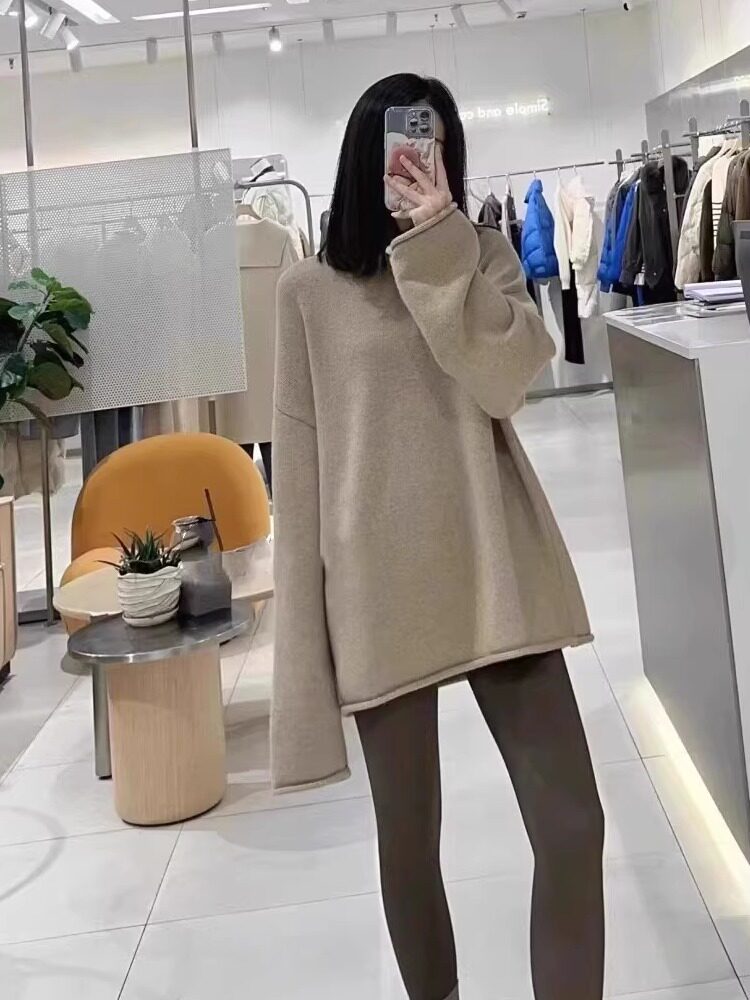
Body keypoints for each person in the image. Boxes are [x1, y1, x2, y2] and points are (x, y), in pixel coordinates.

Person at [271, 73, 604, 1000]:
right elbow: (299, 479)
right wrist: (302, 679)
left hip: (497, 564)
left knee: (573, 827)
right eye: (405, 143)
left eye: (437, 145)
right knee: (409, 844)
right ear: (364, 156)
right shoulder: (307, 291)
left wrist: (441, 245)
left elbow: (508, 381)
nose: (420, 160)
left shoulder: (481, 255)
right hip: (378, 589)